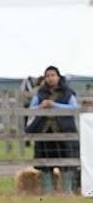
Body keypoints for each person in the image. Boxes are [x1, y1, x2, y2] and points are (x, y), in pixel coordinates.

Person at [27, 66, 79, 195]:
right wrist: (41, 106)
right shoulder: (40, 93)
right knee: (45, 165)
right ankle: (47, 192)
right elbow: (30, 109)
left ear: (58, 77)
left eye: (53, 75)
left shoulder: (67, 92)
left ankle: (68, 191)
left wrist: (53, 105)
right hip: (45, 133)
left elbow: (73, 107)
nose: (50, 78)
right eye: (47, 76)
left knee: (67, 163)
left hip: (64, 133)